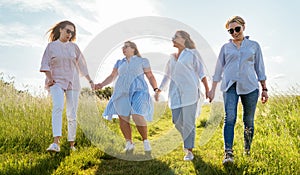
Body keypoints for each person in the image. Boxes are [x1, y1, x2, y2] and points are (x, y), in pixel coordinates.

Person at [208, 16, 268, 165]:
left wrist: (264, 88)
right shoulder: (225, 48)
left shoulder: (254, 46)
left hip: (250, 87)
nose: (234, 33)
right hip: (230, 86)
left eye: (237, 29)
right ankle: (228, 153)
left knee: (248, 120)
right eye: (230, 31)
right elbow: (218, 70)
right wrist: (212, 89)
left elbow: (259, 68)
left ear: (243, 27)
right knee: (230, 118)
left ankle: (247, 150)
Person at [95, 41, 158, 155]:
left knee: (137, 114)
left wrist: (155, 88)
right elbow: (112, 76)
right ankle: (129, 143)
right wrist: (102, 84)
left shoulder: (142, 61)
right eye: (122, 47)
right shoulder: (119, 62)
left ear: (133, 48)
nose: (123, 49)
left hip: (139, 91)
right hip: (122, 92)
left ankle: (145, 141)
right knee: (123, 119)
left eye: (126, 47)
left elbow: (150, 75)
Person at [40, 20, 94, 152]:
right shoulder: (51, 46)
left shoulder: (74, 47)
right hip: (56, 81)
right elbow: (45, 64)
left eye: (72, 32)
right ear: (60, 30)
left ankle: (71, 144)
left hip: (73, 82)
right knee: (58, 107)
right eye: (68, 31)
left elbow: (82, 65)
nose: (70, 34)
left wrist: (90, 80)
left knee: (72, 113)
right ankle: (55, 143)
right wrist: (49, 78)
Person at [154, 30, 209, 161]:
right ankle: (188, 139)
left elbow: (201, 72)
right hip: (175, 94)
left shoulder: (192, 54)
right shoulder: (171, 57)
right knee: (176, 121)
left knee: (189, 123)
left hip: (190, 93)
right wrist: (159, 90)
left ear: (184, 39)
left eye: (176, 37)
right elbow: (167, 75)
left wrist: (207, 89)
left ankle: (189, 151)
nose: (173, 38)